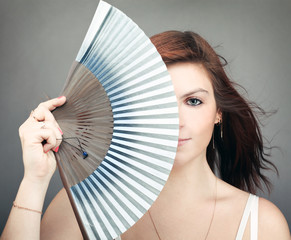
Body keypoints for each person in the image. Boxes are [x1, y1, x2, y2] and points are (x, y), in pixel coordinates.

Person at [1, 31, 290, 240]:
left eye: (193, 101)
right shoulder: (79, 208)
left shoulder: (260, 224)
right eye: (159, 101)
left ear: (219, 114)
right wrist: (35, 181)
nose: (175, 120)